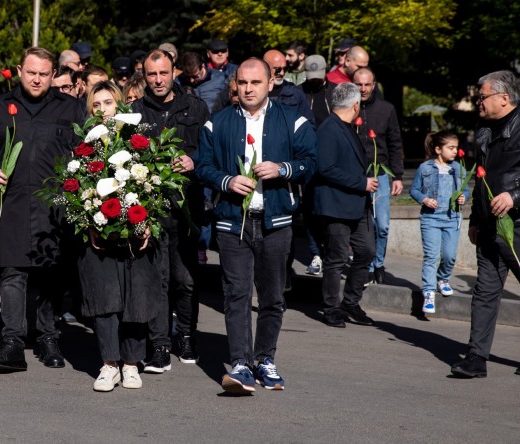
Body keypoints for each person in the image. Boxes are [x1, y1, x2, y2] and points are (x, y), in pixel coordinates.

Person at [196, 57, 316, 394]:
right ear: (235, 84)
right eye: (243, 83)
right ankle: (240, 364)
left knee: (273, 296)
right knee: (235, 295)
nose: (248, 89)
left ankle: (265, 359)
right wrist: (226, 181)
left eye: (255, 83)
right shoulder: (216, 123)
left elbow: (312, 162)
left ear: (270, 84)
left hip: (276, 221)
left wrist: (283, 169)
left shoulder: (293, 120)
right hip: (232, 222)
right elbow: (202, 166)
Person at [0, 47, 84, 372]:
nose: (37, 79)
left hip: (54, 209)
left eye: (43, 73)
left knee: (50, 274)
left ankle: (48, 337)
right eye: (31, 72)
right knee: (11, 273)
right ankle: (13, 342)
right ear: (19, 70)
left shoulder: (70, 108)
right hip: (11, 205)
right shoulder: (0, 107)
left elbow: (86, 153)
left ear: (53, 75)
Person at [78, 83, 160, 391]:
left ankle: (131, 363)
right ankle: (109, 364)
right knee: (104, 298)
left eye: (108, 102)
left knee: (135, 297)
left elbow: (157, 184)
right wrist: (88, 222)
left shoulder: (139, 140)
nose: (102, 109)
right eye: (95, 104)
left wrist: (149, 220)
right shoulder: (84, 146)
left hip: (134, 234)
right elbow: (73, 186)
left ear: (120, 104)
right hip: (99, 235)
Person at [133, 49, 209, 371]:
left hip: (186, 208)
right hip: (151, 210)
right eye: (152, 74)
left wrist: (194, 162)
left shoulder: (196, 107)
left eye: (164, 73)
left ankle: (186, 336)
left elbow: (211, 153)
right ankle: (160, 345)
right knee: (156, 280)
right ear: (145, 75)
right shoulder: (135, 111)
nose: (158, 80)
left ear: (174, 71)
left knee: (186, 280)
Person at [452, 71, 520, 379]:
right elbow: (481, 178)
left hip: (516, 223)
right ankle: (476, 357)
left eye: (483, 97)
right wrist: (476, 220)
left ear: (504, 98)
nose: (478, 101)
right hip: (490, 224)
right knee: (485, 291)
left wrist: (515, 196)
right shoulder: (483, 129)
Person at [309, 83, 377, 328]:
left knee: (366, 250)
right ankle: (331, 307)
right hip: (336, 205)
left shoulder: (346, 127)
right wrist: (361, 183)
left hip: (357, 205)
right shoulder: (329, 129)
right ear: (356, 104)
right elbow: (325, 168)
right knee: (336, 257)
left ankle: (351, 301)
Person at [352, 67, 404, 284]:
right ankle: (363, 264)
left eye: (367, 84)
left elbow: (394, 142)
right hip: (355, 175)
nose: (363, 89)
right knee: (361, 224)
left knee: (381, 224)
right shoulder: (347, 108)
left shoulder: (386, 109)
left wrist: (398, 175)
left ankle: (378, 263)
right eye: (358, 85)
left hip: (380, 173)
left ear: (374, 85)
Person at [409, 131, 468, 315]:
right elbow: (414, 190)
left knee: (449, 255)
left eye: (456, 148)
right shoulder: (425, 168)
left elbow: (466, 190)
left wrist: (463, 197)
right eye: (450, 148)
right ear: (437, 149)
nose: (455, 151)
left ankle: (443, 279)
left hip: (452, 218)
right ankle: (429, 292)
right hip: (431, 218)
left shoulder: (459, 168)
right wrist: (425, 199)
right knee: (431, 256)